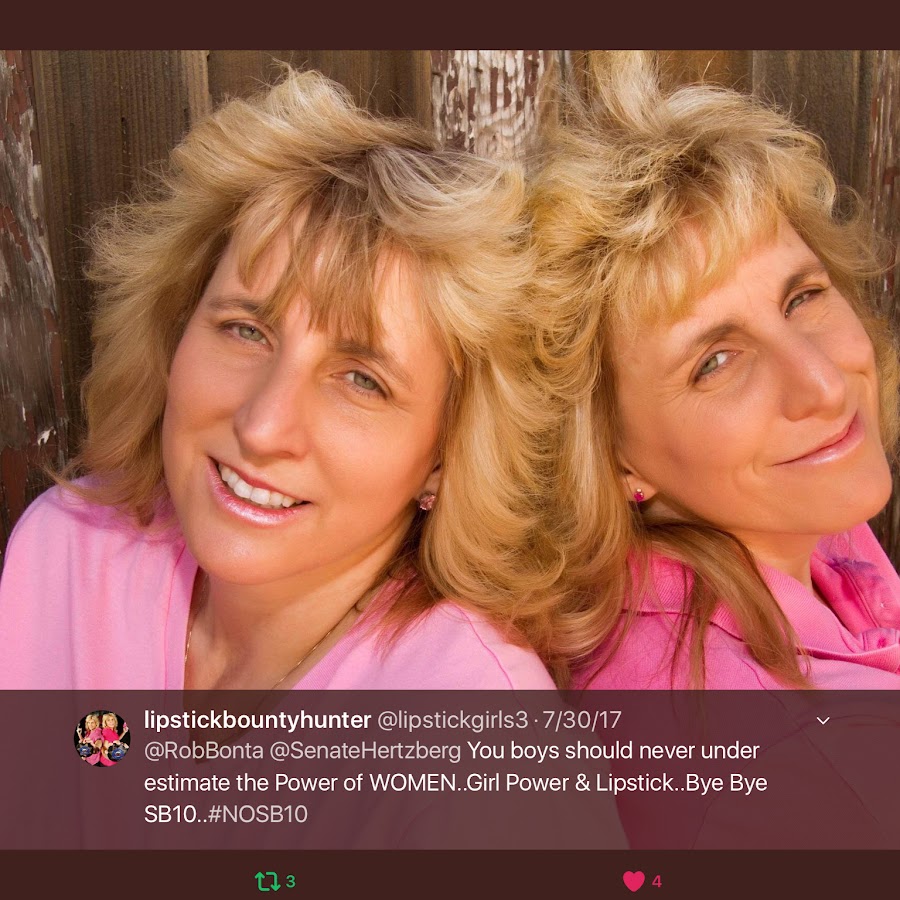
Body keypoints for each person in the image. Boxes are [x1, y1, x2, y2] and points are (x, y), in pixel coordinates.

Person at [0, 69, 564, 693]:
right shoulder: (65, 556)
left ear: (445, 456)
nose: (263, 427)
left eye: (362, 380)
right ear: (175, 329)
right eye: (246, 330)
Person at [530, 52, 900, 690]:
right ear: (611, 457)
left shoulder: (792, 517)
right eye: (716, 362)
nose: (824, 385)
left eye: (802, 297)